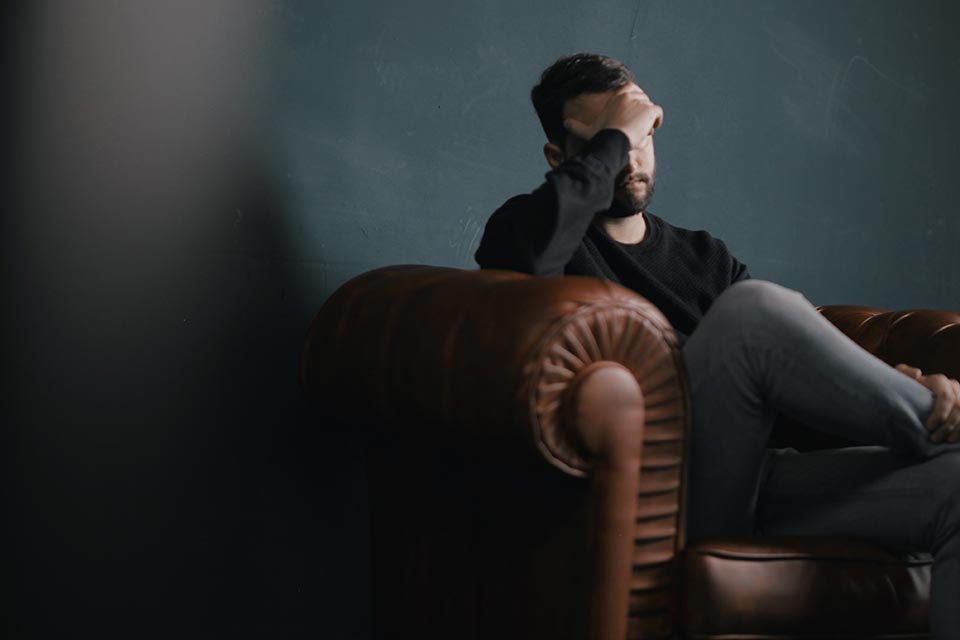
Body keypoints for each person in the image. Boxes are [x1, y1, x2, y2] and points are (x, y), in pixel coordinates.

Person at [474, 53, 960, 638]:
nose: (631, 152)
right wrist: (618, 132)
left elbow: (791, 396)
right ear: (561, 159)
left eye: (642, 131)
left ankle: (925, 418)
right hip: (662, 497)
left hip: (759, 482)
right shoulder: (530, 230)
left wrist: (891, 383)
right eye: (612, 138)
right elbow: (521, 265)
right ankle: (933, 420)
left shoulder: (706, 257)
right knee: (754, 312)